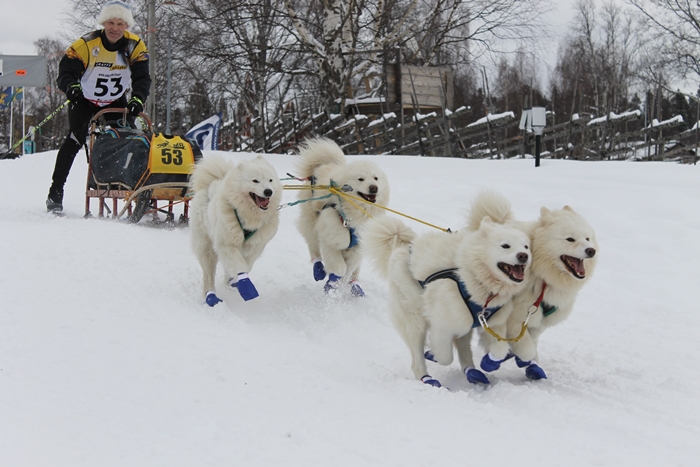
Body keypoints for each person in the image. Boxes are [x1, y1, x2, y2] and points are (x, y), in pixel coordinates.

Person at [46, 0, 151, 213]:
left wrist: (137, 98)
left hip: (115, 100)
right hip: (84, 99)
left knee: (129, 140)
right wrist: (72, 87)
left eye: (120, 24)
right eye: (111, 22)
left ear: (126, 26)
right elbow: (65, 72)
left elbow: (142, 77)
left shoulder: (134, 45)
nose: (115, 28)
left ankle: (132, 190)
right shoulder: (86, 44)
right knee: (75, 140)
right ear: (104, 23)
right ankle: (55, 193)